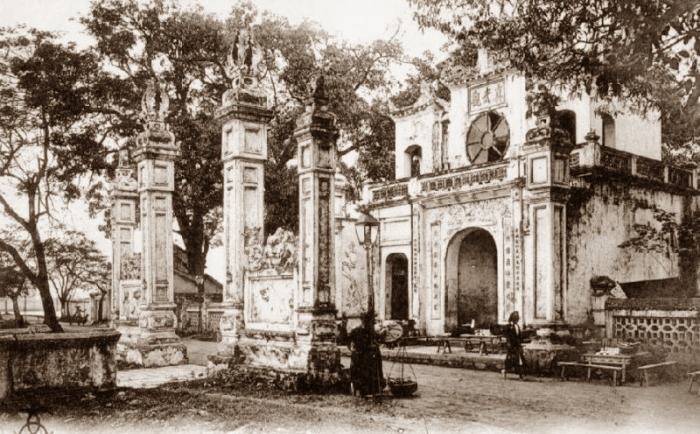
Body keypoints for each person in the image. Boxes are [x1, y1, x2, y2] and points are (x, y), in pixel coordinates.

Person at [348, 312, 384, 396]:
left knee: (370, 369)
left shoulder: (369, 330)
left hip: (366, 354)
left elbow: (377, 339)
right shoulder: (357, 331)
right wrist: (352, 349)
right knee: (364, 371)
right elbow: (349, 341)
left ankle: (371, 389)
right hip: (362, 355)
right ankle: (364, 389)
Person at [503, 311, 526, 380]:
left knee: (519, 360)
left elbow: (519, 336)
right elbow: (506, 336)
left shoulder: (517, 326)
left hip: (517, 346)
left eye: (517, 319)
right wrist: (508, 343)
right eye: (516, 319)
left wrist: (521, 342)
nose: (517, 320)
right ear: (512, 319)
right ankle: (505, 371)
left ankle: (520, 375)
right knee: (510, 359)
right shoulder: (508, 326)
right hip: (511, 346)